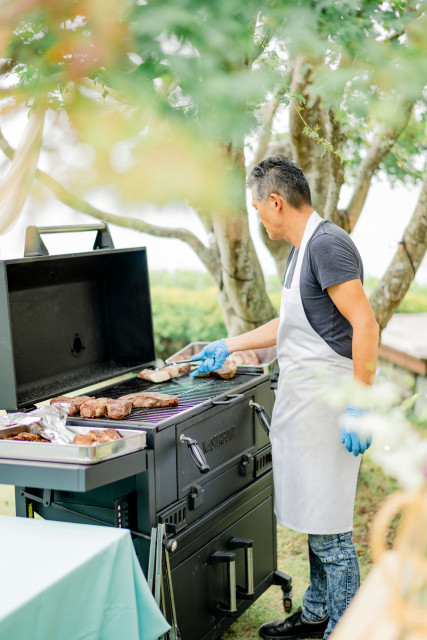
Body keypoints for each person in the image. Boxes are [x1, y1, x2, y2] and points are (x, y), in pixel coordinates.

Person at [190, 155, 379, 640]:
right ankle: (316, 614)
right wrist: (227, 344)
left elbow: (365, 324)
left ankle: (346, 628)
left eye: (257, 208)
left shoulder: (327, 246)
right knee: (317, 525)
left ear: (275, 201)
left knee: (332, 533)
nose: (258, 217)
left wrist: (361, 404)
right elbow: (293, 325)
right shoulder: (302, 249)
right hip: (306, 406)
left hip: (331, 406)